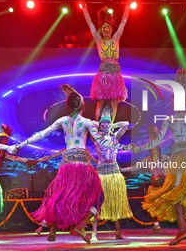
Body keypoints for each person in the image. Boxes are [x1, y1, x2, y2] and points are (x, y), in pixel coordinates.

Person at [12, 84, 132, 244]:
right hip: (82, 165)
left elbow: (42, 134)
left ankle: (54, 228)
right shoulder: (87, 122)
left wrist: (21, 145)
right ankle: (81, 226)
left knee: (61, 196)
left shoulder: (63, 120)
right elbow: (103, 141)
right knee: (99, 197)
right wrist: (122, 146)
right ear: (82, 105)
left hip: (67, 164)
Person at [133, 111, 186, 248]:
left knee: (176, 195)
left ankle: (182, 230)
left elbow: (157, 141)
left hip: (179, 161)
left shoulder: (170, 119)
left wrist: (140, 148)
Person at [82, 3, 130, 121]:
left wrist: (128, 7)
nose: (106, 29)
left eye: (107, 27)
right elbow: (90, 24)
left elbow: (123, 22)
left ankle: (110, 128)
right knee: (101, 101)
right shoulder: (99, 40)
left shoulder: (116, 38)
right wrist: (84, 9)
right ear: (101, 31)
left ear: (111, 29)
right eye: (103, 28)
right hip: (103, 72)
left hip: (115, 72)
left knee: (114, 101)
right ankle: (96, 127)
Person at [91, 106, 133, 240]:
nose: (106, 125)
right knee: (97, 204)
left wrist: (111, 125)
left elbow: (125, 124)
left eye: (108, 124)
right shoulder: (97, 138)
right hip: (101, 173)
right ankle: (94, 233)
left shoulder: (115, 137)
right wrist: (101, 124)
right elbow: (91, 125)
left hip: (114, 172)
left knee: (116, 203)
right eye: (104, 124)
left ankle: (118, 233)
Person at [0, 124, 38, 227]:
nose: (5, 142)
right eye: (3, 140)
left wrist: (27, 161)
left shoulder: (2, 153)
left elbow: (15, 158)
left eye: (6, 140)